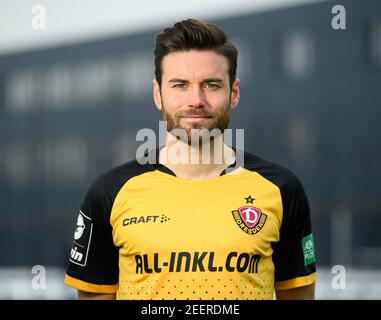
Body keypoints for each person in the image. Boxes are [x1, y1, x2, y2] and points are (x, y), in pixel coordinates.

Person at [64, 19, 316, 300]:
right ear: (158, 94)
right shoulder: (109, 192)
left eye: (211, 85)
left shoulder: (281, 189)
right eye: (180, 85)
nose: (196, 100)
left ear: (233, 94)